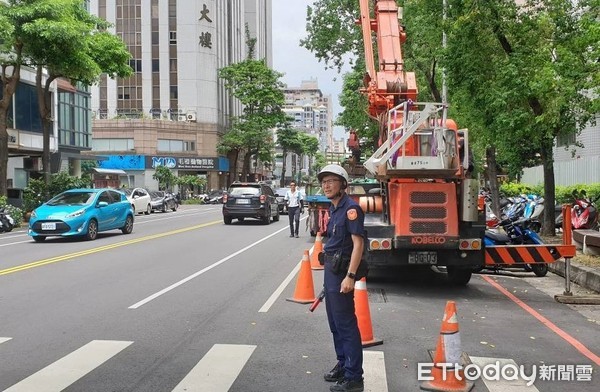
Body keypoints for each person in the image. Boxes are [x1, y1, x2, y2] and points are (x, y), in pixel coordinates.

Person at [318, 164, 365, 392]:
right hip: (331, 272)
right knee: (334, 324)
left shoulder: (351, 208)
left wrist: (350, 276)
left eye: (331, 181)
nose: (326, 185)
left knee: (346, 325)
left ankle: (354, 376)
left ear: (343, 184)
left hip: (342, 274)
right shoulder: (334, 208)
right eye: (324, 181)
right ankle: (343, 363)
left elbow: (358, 244)